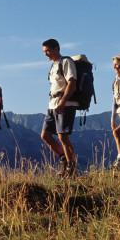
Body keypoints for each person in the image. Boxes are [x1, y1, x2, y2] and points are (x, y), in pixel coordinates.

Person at [40, 39, 78, 178]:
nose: (46, 54)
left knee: (63, 137)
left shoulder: (66, 62)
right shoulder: (53, 66)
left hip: (64, 104)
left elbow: (72, 83)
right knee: (45, 135)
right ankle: (64, 159)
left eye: (48, 51)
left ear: (56, 49)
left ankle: (72, 168)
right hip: (52, 104)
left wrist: (63, 101)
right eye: (44, 52)